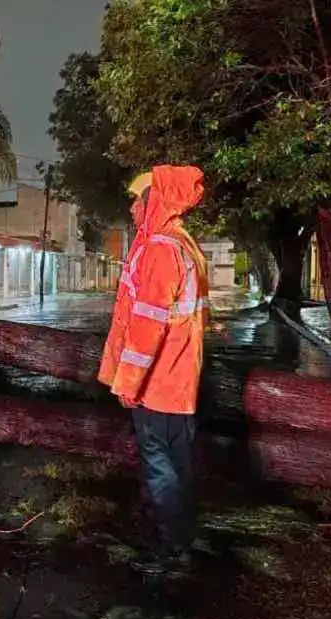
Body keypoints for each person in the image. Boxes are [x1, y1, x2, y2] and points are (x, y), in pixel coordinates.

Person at [98, 165, 210, 574]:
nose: (131, 207)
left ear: (155, 201)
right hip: (179, 384)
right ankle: (180, 538)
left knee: (160, 466)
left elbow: (146, 327)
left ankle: (170, 548)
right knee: (178, 464)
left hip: (158, 386)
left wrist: (128, 382)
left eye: (136, 199)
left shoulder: (160, 249)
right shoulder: (184, 246)